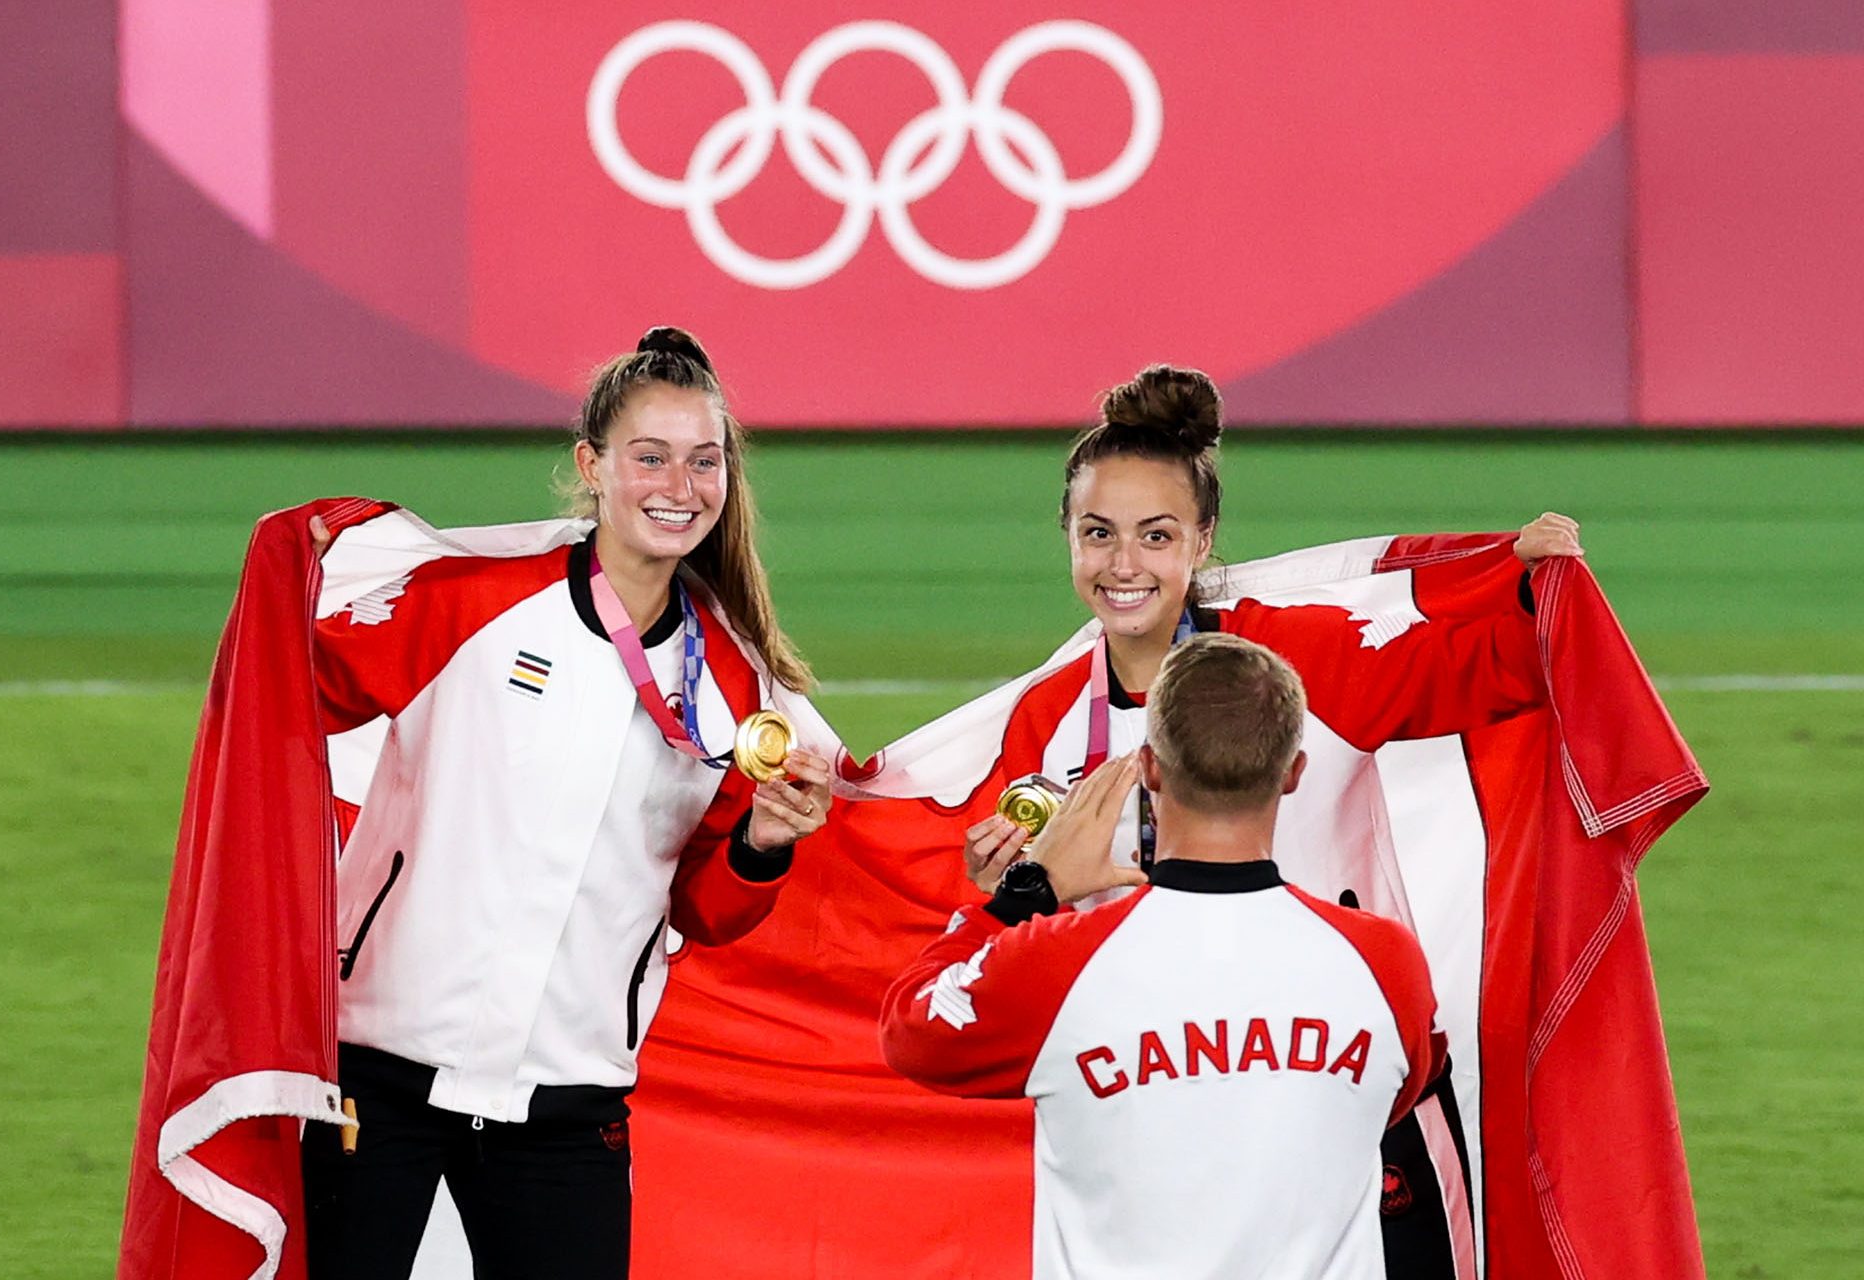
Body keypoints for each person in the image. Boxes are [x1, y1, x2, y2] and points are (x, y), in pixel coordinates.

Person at [939, 363, 1578, 1275]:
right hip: (1163, 1093)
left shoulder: (1290, 656)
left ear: (1202, 540)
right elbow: (1041, 945)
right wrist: (1010, 887)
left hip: (1328, 1079)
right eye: (1098, 534)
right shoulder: (1044, 721)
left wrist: (1522, 587)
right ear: (1068, 539)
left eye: (1155, 536)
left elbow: (1473, 670)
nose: (1124, 565)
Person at [297, 327, 833, 1279]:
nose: (680, 484)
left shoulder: (738, 690)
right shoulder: (469, 604)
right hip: (381, 1073)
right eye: (650, 457)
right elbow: (297, 691)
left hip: (566, 1097)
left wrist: (760, 843)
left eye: (703, 461)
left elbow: (702, 908)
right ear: (591, 466)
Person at [881, 634, 1447, 1278]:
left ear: (1149, 768)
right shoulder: (1384, 961)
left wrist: (1024, 893)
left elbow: (912, 1028)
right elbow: (1388, 1097)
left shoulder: (1058, 965)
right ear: (1293, 773)